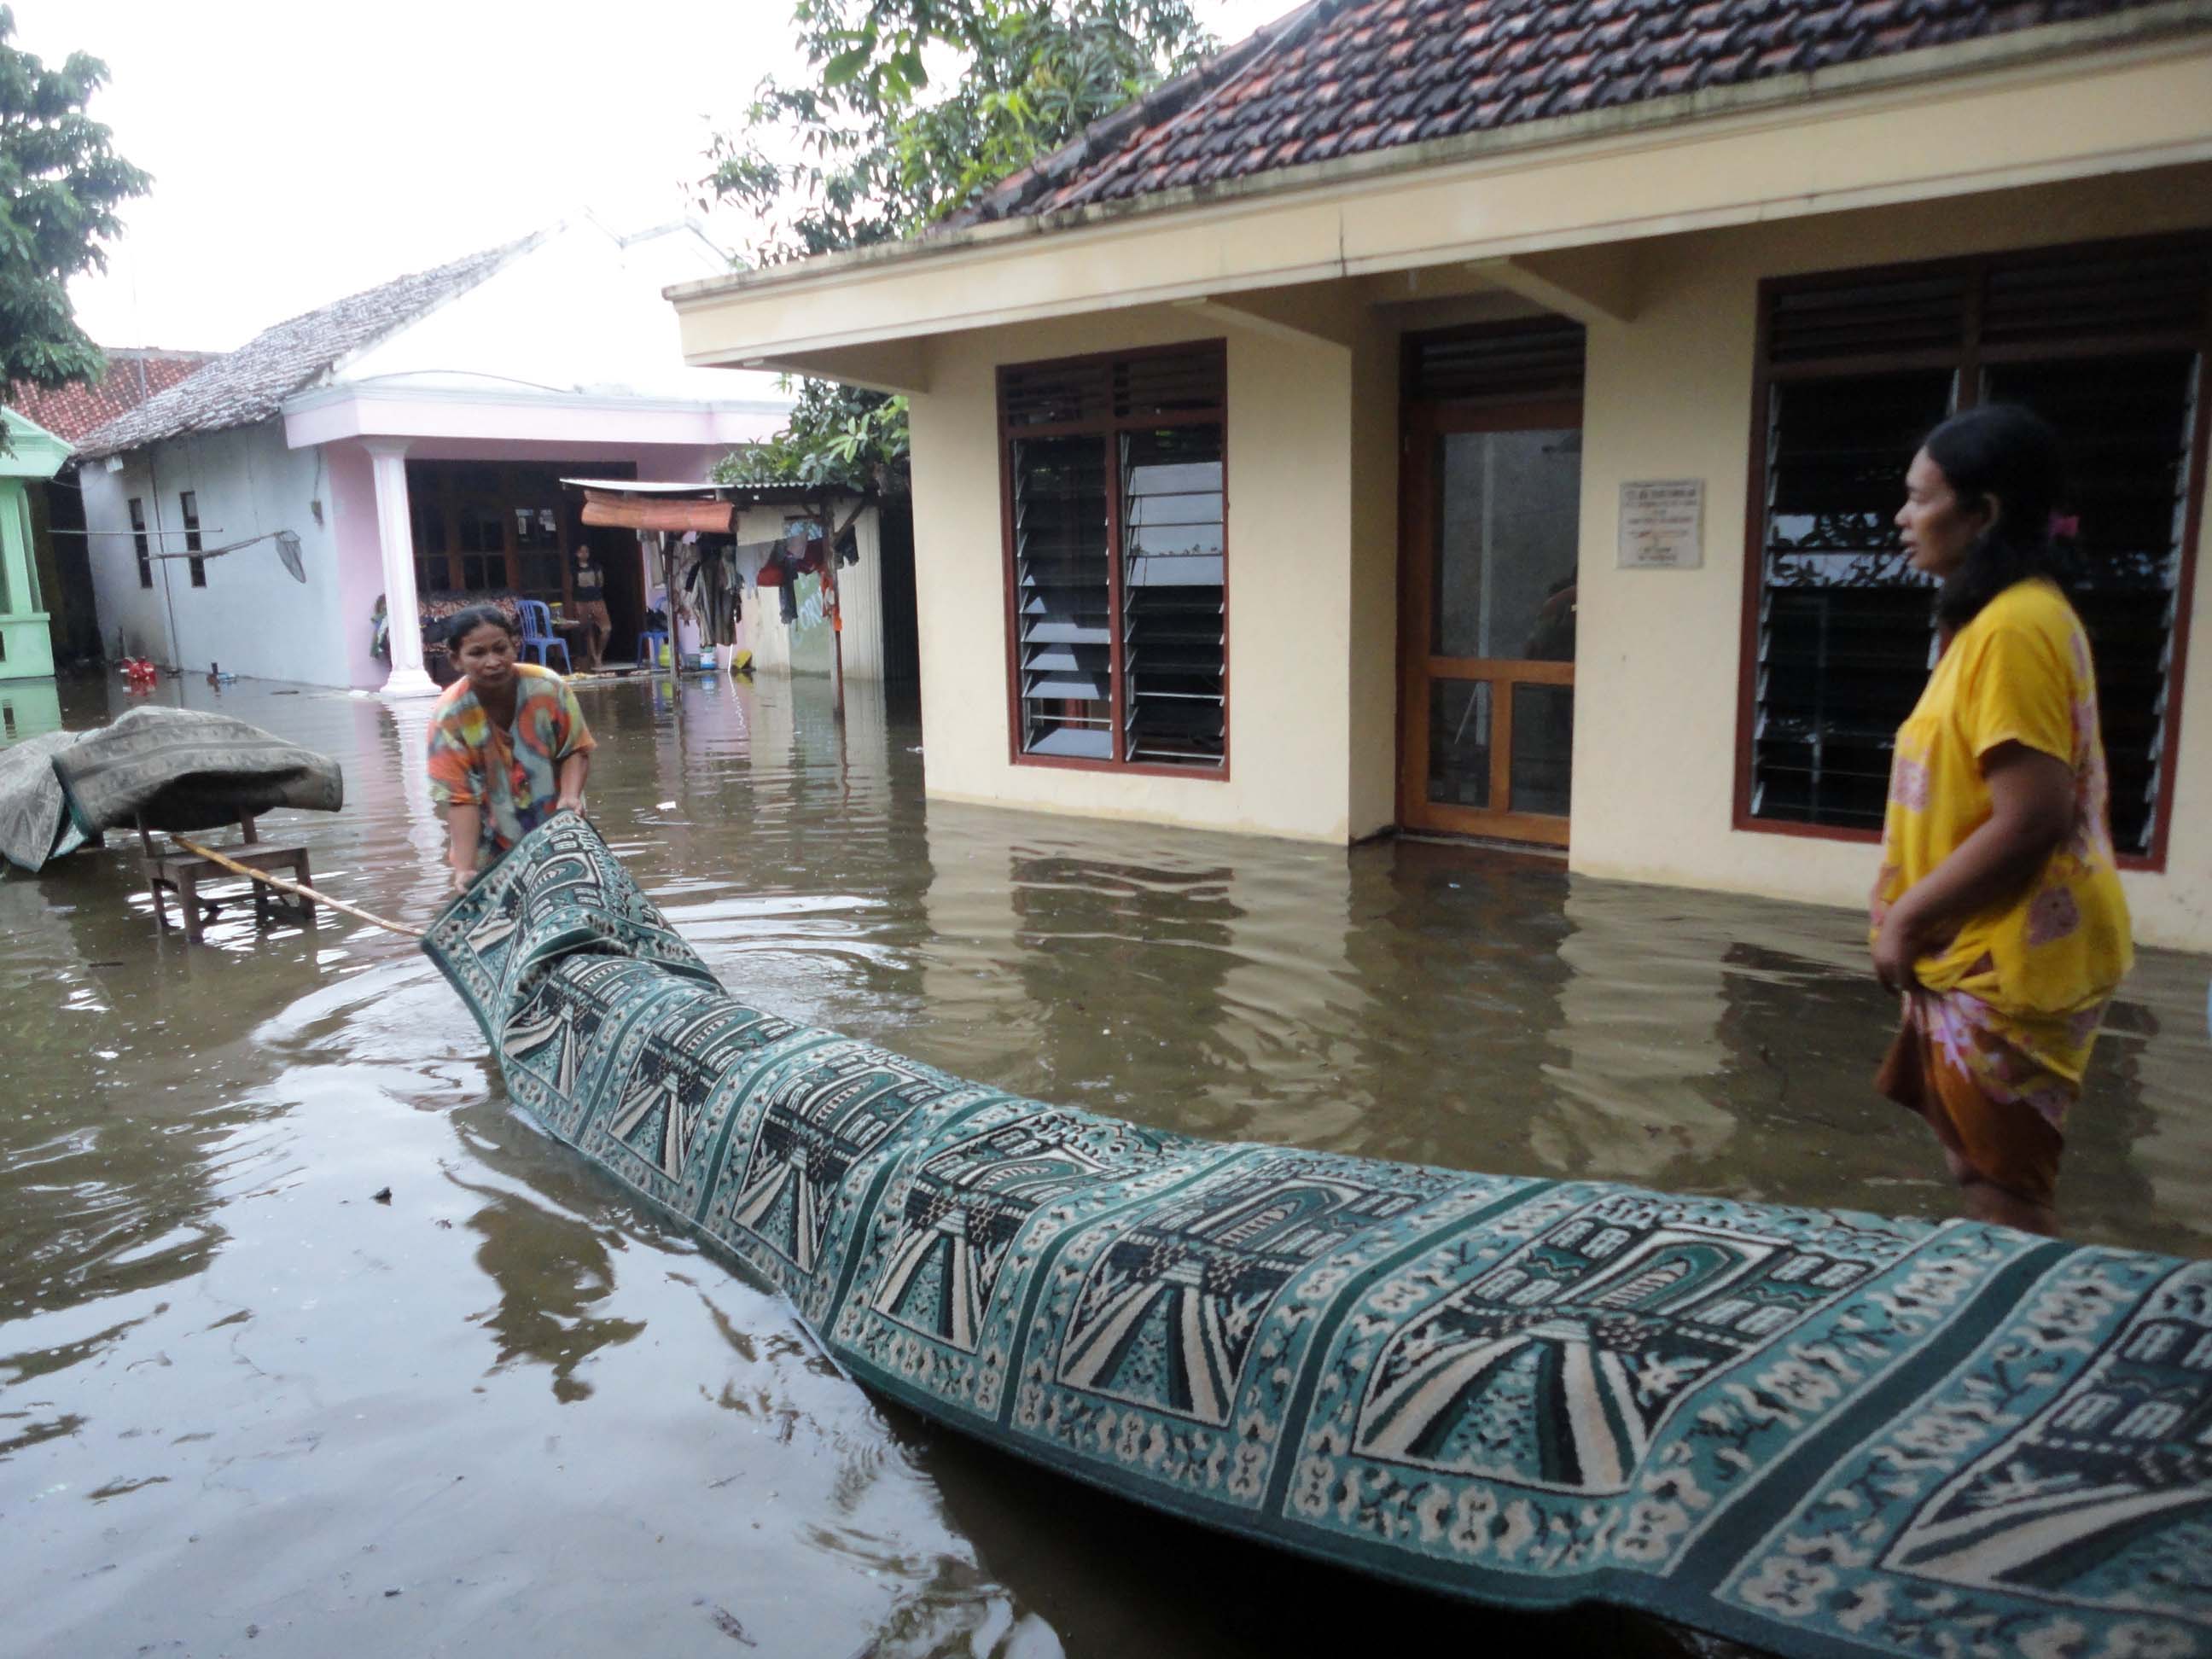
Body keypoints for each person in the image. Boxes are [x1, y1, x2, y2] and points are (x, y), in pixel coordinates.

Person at [1869, 405, 2131, 1236]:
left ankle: (2025, 1345)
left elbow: (2032, 817)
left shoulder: (2018, 627)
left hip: (2012, 953)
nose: (1903, 518)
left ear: (1983, 514)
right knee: (1977, 1166)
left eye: (1920, 499)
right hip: (1978, 950)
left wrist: (1907, 918)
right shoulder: (1995, 622)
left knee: (2003, 1190)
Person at [426, 605, 594, 894]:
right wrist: (465, 869)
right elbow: (460, 799)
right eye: (477, 654)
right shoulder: (449, 718)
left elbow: (575, 748)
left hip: (558, 829)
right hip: (491, 844)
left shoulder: (548, 688)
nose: (493, 662)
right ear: (456, 660)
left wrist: (570, 797)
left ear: (514, 647)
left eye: (500, 649)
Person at [571, 543, 612, 671]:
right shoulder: (573, 569)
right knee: (588, 630)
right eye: (582, 552)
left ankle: (599, 654)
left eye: (587, 551)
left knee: (606, 629)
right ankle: (595, 658)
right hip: (581, 602)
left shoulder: (596, 567)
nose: (584, 554)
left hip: (597, 601)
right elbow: (570, 586)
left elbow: (600, 582)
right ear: (576, 554)